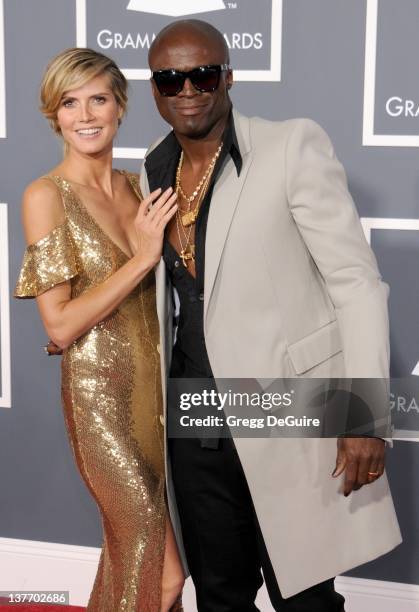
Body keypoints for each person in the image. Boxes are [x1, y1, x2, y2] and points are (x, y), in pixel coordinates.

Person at [140, 19, 402, 612]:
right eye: (171, 79)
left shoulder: (290, 146)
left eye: (203, 75)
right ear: (155, 89)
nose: (188, 90)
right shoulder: (151, 171)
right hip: (195, 417)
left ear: (228, 76)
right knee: (221, 593)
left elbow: (356, 284)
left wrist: (363, 416)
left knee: (304, 596)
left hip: (283, 408)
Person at [14, 48, 184, 612]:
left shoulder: (141, 189)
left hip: (158, 400)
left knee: (127, 562)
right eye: (69, 102)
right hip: (100, 404)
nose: (85, 114)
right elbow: (58, 326)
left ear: (120, 107)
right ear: (54, 115)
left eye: (98, 99)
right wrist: (140, 259)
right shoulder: (46, 196)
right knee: (161, 575)